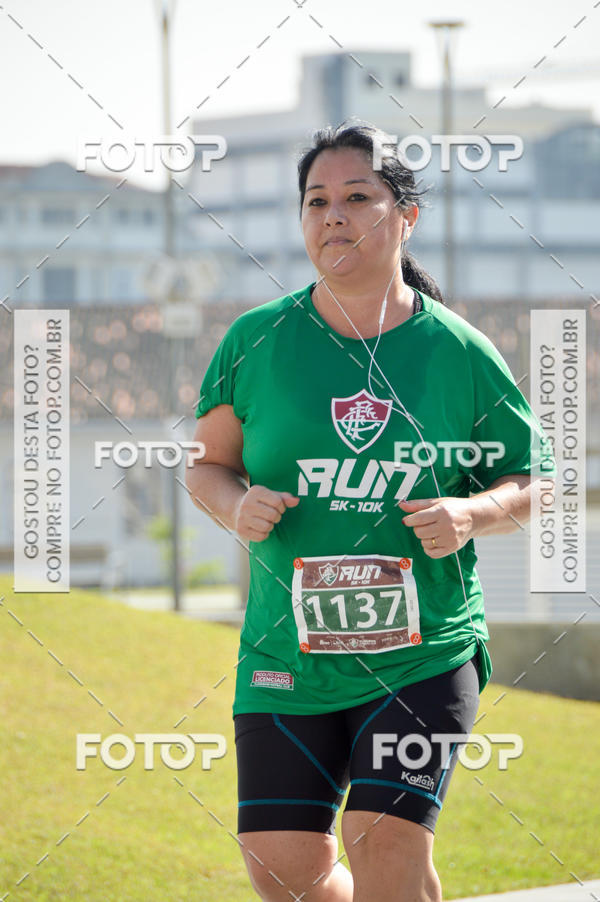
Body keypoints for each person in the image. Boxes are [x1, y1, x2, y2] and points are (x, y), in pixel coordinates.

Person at [185, 122, 553, 902]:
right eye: (317, 200)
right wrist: (234, 505)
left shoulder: (458, 351)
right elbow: (208, 465)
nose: (334, 216)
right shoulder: (257, 339)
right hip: (288, 655)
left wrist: (470, 513)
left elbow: (538, 479)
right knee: (284, 869)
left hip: (422, 653)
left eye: (358, 197)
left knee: (380, 840)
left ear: (406, 216)